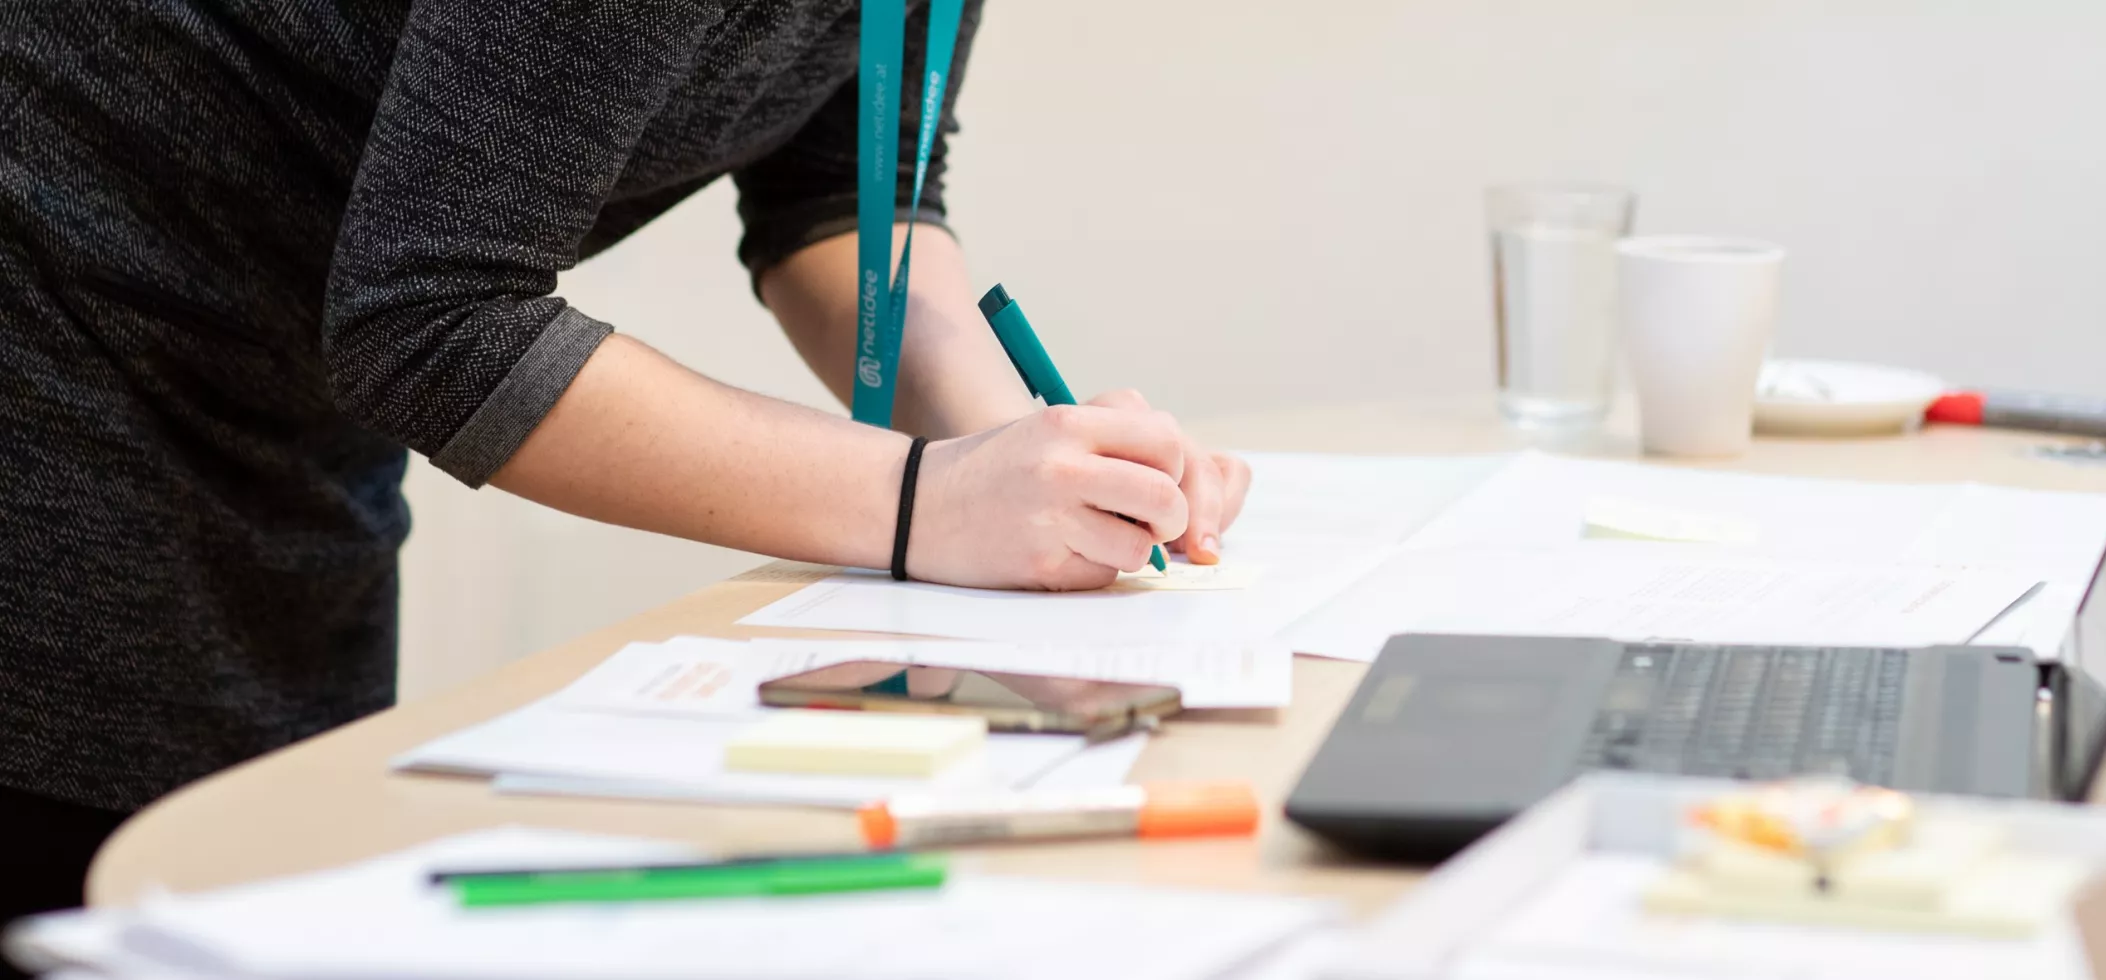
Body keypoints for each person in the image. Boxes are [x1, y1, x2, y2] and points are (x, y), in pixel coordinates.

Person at [0, 0, 1251, 942]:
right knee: (120, 889)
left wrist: (1030, 470)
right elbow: (429, 321)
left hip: (281, 403)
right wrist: (932, 501)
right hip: (57, 357)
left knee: (236, 890)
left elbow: (846, 204)